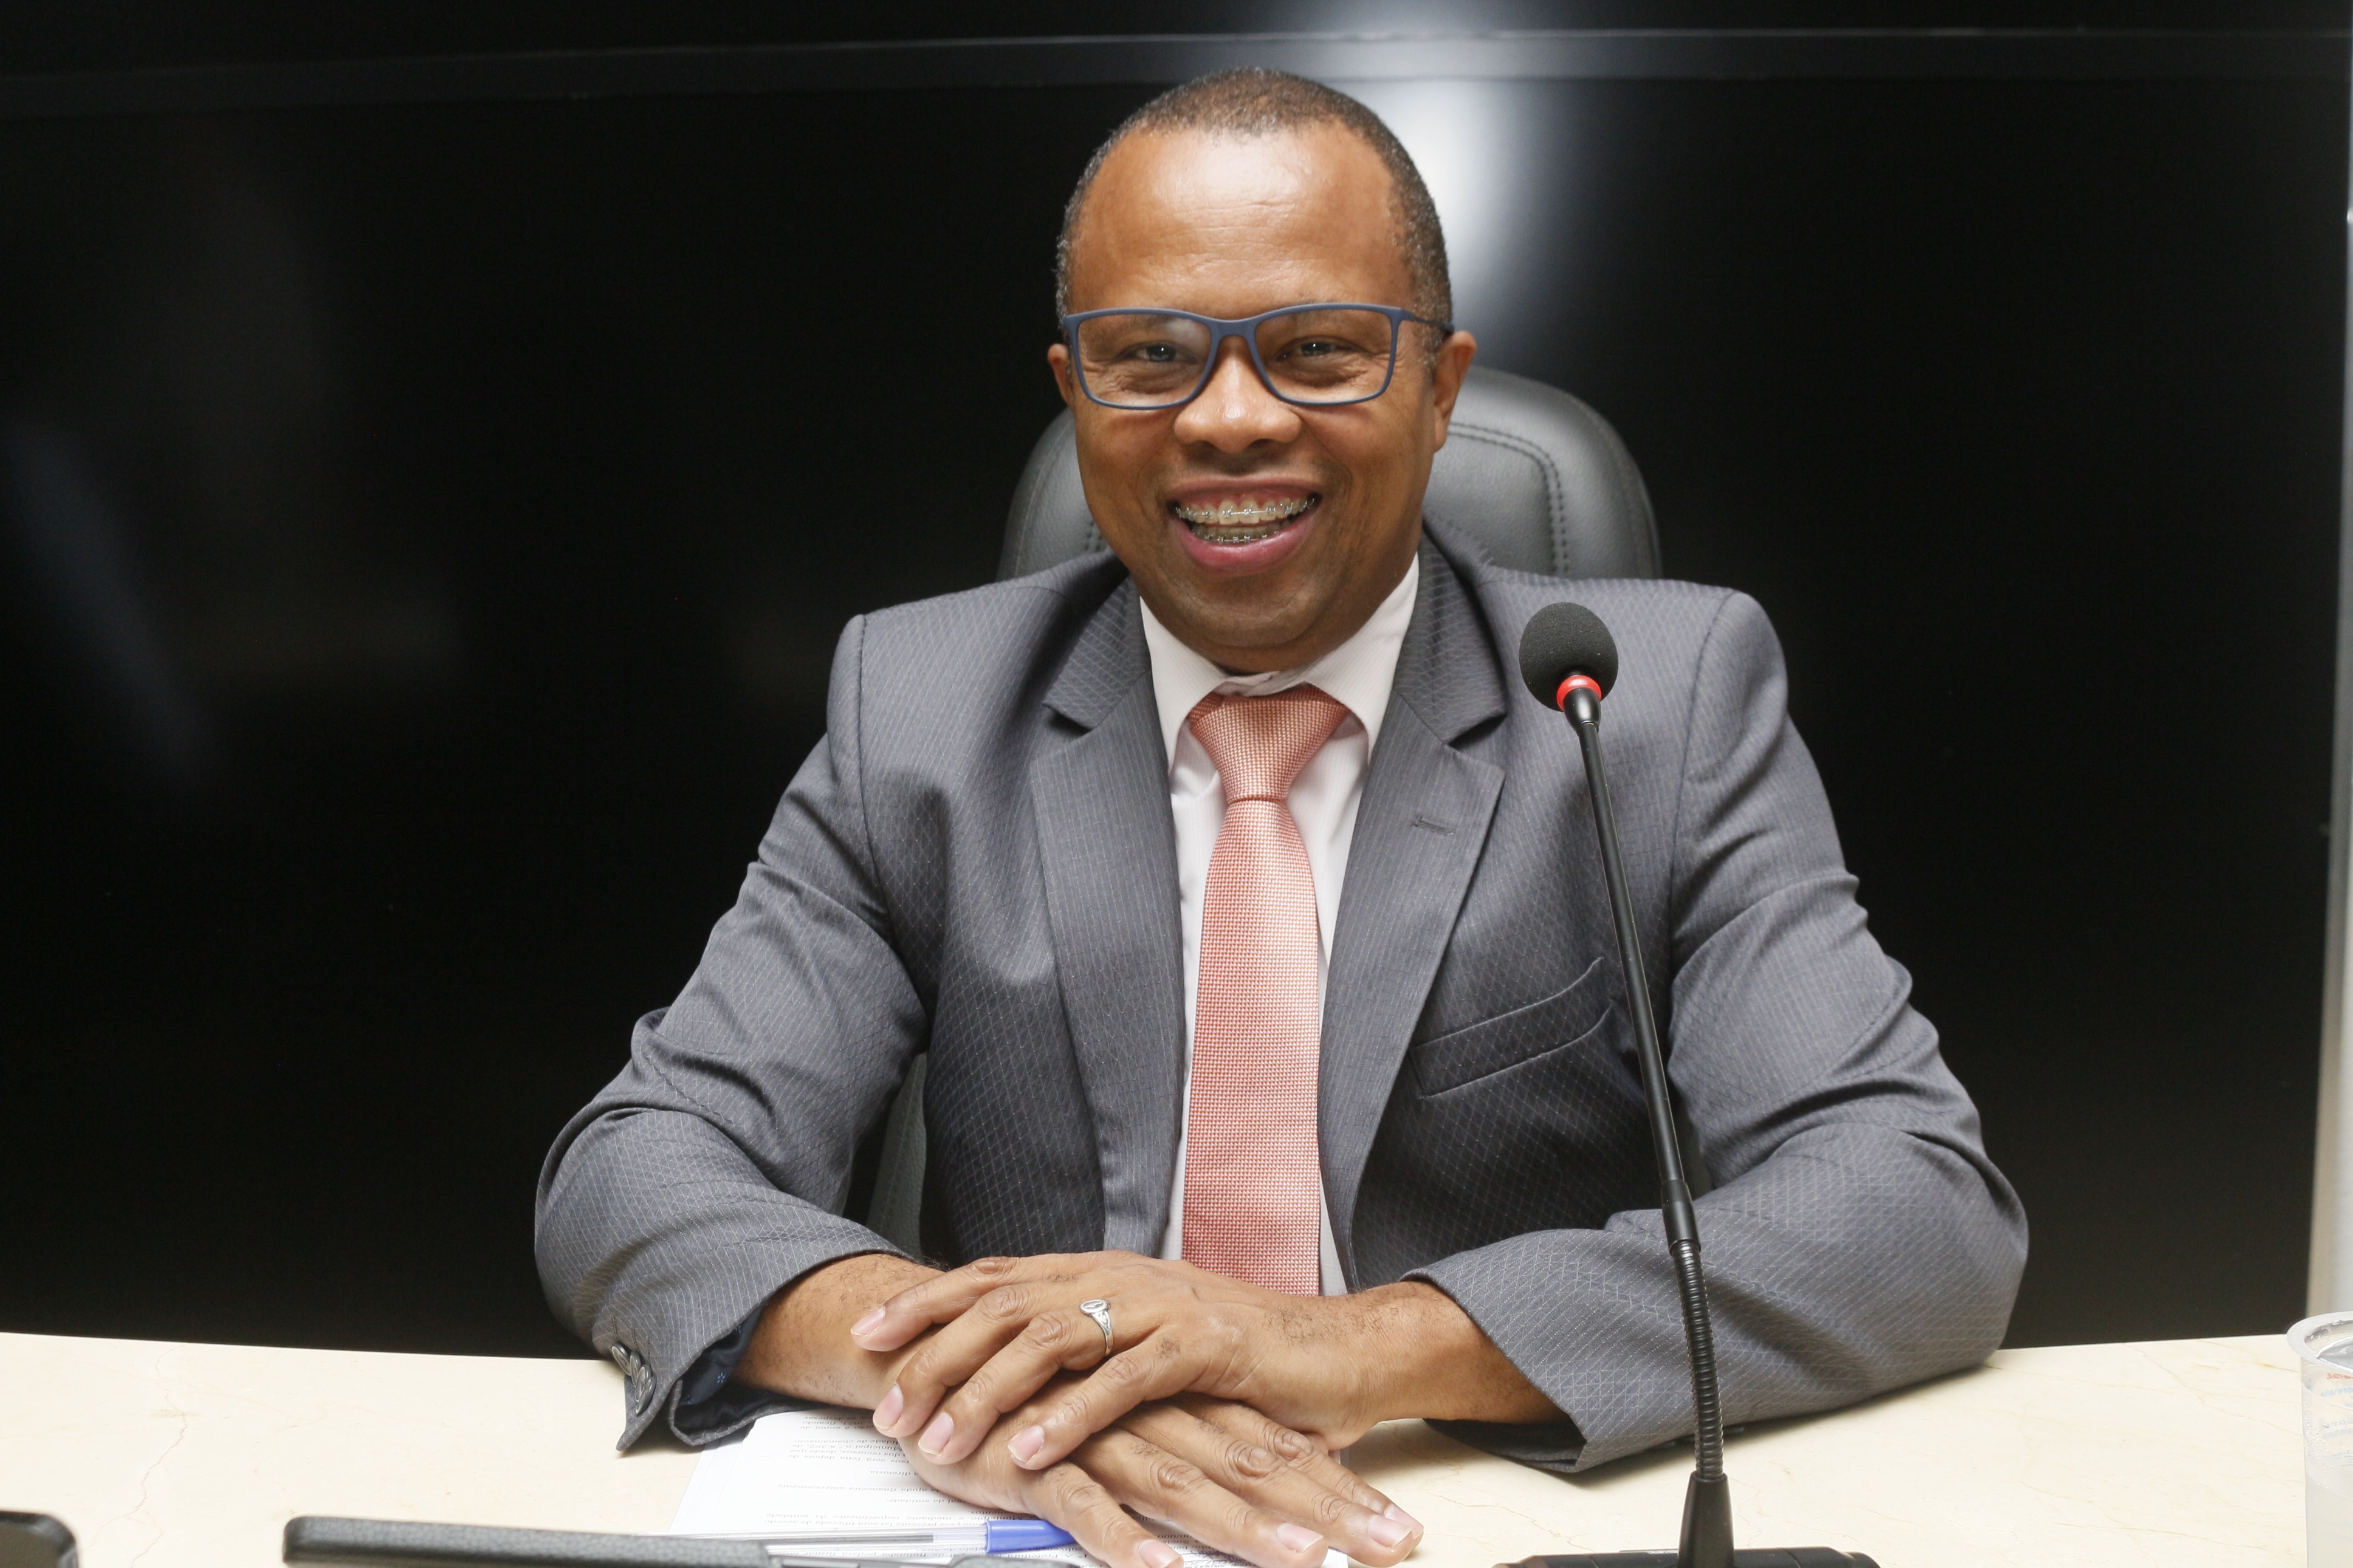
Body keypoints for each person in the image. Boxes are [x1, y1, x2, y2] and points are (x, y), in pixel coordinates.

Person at [535, 68, 2025, 1568]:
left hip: (1455, 1513)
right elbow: (636, 1167)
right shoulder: (920, 711)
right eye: (1150, 357)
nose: (1230, 420)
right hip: (1056, 1518)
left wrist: (1344, 1343)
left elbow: (1914, 1202)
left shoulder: (1648, 705)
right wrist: (999, 1368)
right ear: (1076, 391)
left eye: (1317, 351)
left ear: (1439, 389)